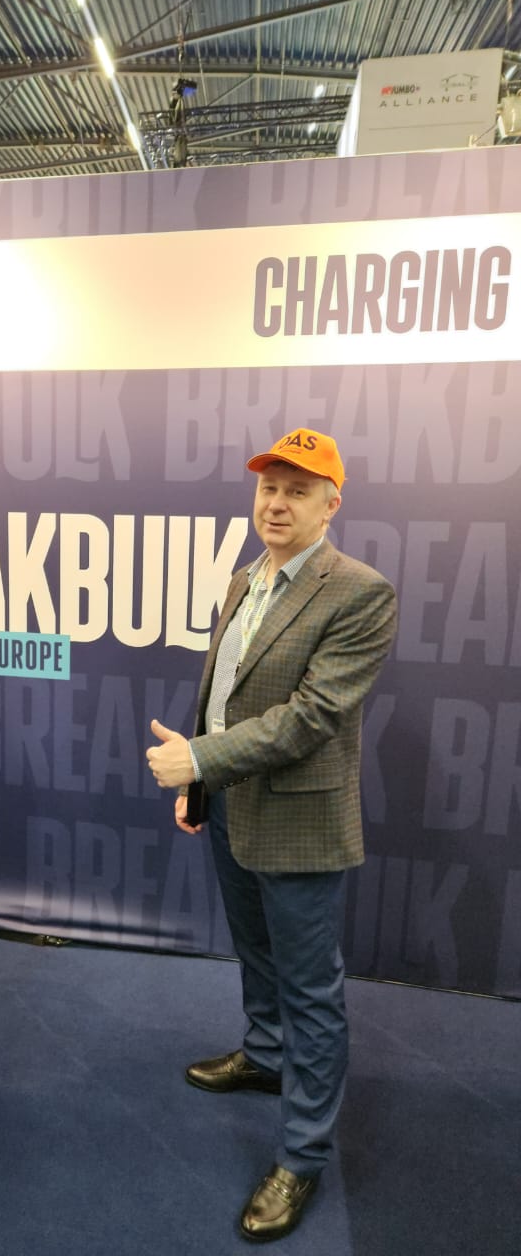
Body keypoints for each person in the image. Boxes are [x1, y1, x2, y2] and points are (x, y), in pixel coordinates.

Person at [145, 427, 397, 1244]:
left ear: (332, 503)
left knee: (311, 991)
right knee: (255, 953)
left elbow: (312, 717)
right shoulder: (244, 578)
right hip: (232, 805)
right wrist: (204, 784)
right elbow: (221, 691)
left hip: (300, 821)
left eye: (297, 491)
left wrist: (198, 760)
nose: (277, 504)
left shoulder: (360, 592)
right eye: (269, 488)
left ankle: (302, 1154)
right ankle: (262, 1054)